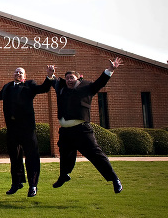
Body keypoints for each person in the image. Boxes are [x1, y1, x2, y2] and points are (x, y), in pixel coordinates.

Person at [48, 57, 123, 193]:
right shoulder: (62, 89)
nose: (69, 80)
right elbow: (54, 82)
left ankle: (114, 179)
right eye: (67, 78)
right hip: (65, 132)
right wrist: (51, 74)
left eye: (72, 78)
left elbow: (100, 82)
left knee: (96, 155)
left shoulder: (87, 88)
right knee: (65, 155)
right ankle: (64, 176)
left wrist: (111, 69)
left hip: (82, 130)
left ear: (78, 78)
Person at [0, 67, 51, 197]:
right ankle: (16, 183)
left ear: (24, 75)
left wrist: (49, 77)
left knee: (32, 156)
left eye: (20, 72)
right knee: (14, 157)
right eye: (16, 72)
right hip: (12, 128)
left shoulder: (30, 85)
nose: (18, 73)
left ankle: (33, 185)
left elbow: (43, 88)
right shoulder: (7, 87)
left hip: (27, 128)